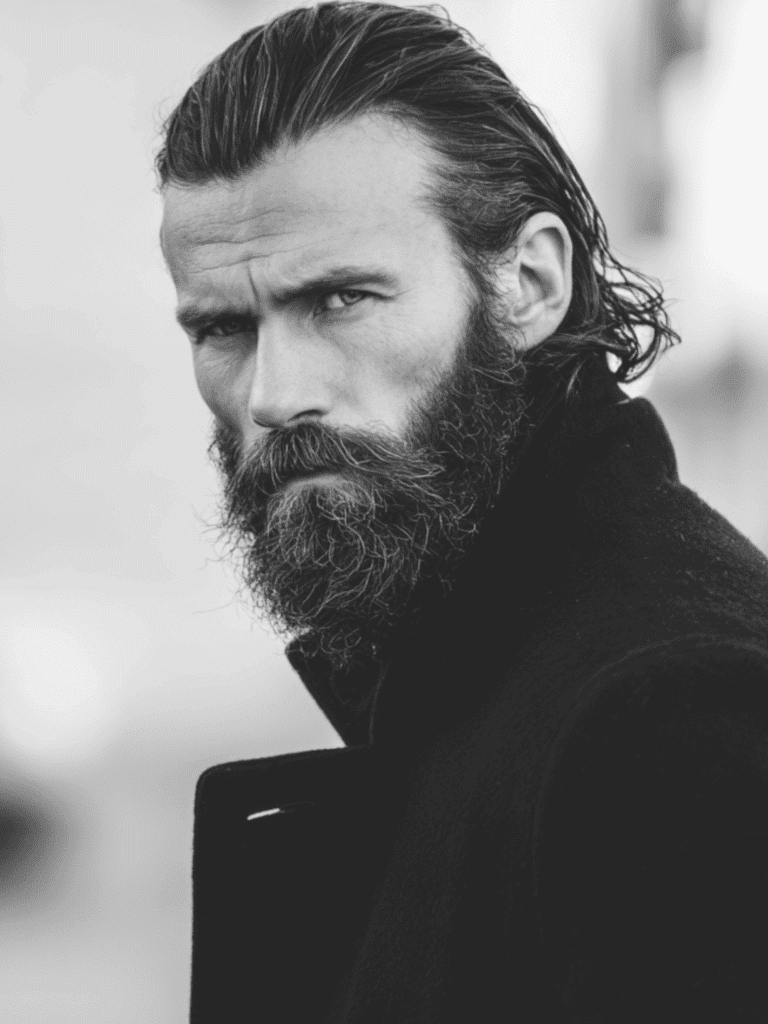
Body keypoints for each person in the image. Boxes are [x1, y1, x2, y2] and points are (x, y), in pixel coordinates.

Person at [157, 4, 768, 1021]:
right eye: (222, 327)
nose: (271, 394)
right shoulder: (470, 670)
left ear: (529, 282)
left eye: (341, 299)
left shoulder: (676, 715)